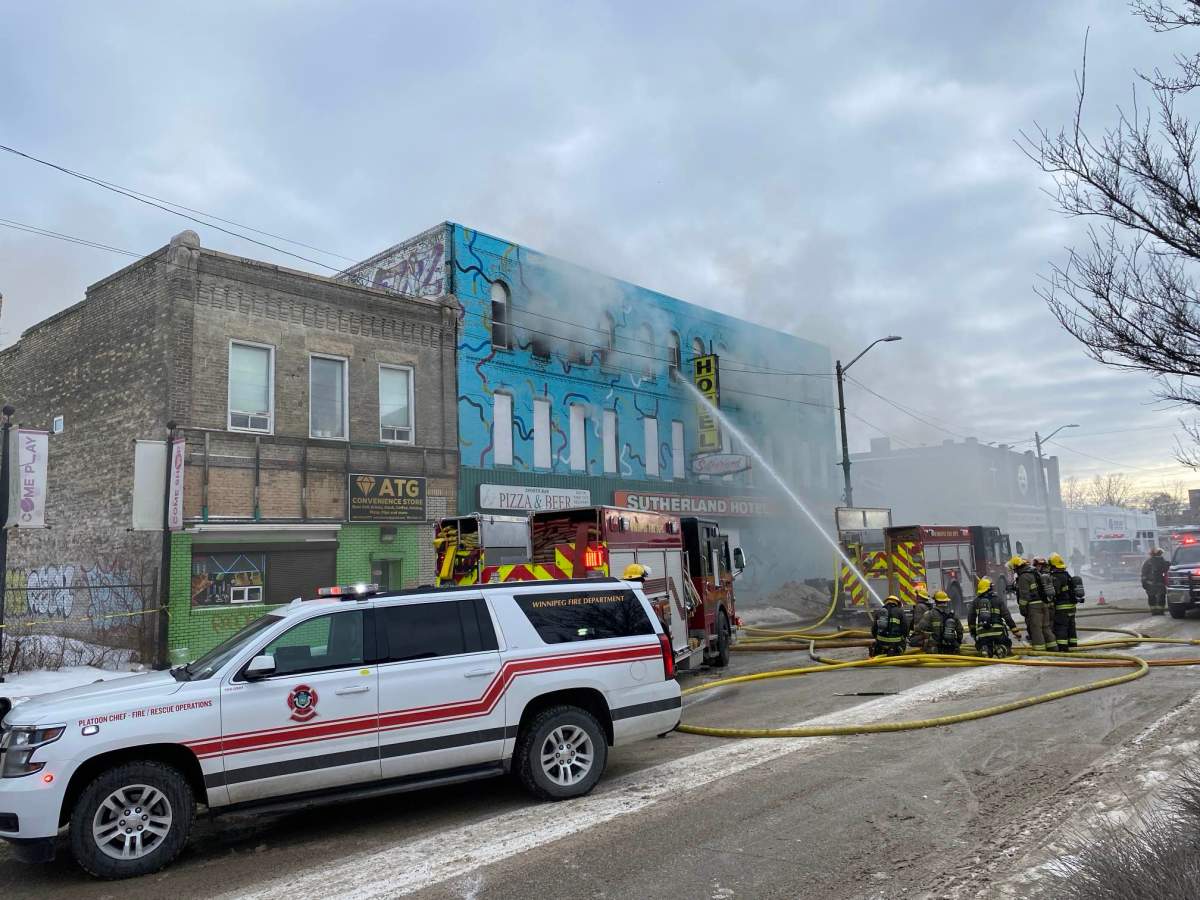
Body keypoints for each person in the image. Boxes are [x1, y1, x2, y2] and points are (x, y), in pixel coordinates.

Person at [1010, 555, 1053, 652]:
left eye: (1014, 568)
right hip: (1044, 604)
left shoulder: (1023, 577)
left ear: (1017, 567)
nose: (1014, 571)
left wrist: (1023, 609)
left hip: (1034, 606)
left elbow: (1025, 596)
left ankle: (1040, 651)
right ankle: (1053, 648)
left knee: (1036, 629)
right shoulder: (1035, 572)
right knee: (1046, 627)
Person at [969, 577, 1019, 657]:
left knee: (981, 644)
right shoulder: (998, 599)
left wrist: (973, 632)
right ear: (989, 588)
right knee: (1007, 643)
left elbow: (971, 618)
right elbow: (1007, 616)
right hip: (998, 632)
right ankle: (1001, 648)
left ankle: (985, 649)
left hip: (982, 634)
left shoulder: (975, 602)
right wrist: (1015, 631)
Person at [916, 590, 964, 654]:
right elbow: (960, 630)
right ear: (946, 601)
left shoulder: (930, 614)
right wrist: (958, 642)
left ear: (935, 601)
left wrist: (928, 636)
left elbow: (919, 628)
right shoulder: (952, 614)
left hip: (936, 647)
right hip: (950, 646)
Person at [1048, 553, 1079, 651]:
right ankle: (1073, 645)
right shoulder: (1066, 574)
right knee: (1071, 626)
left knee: (1061, 627)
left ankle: (1062, 647)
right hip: (1071, 606)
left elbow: (1055, 592)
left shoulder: (1056, 577)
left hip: (1062, 607)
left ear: (1053, 565)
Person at [1141, 548, 1169, 615]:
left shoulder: (1148, 561)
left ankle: (1155, 611)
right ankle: (1159, 611)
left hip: (1153, 583)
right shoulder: (1159, 561)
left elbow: (1143, 573)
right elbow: (1144, 573)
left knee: (1153, 597)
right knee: (1158, 597)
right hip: (1156, 583)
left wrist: (1144, 582)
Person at [908, 585, 934, 650]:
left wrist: (915, 632)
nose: (915, 596)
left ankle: (927, 642)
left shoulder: (919, 607)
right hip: (930, 632)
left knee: (912, 641)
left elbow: (918, 626)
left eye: (917, 595)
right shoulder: (927, 606)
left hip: (925, 633)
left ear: (919, 597)